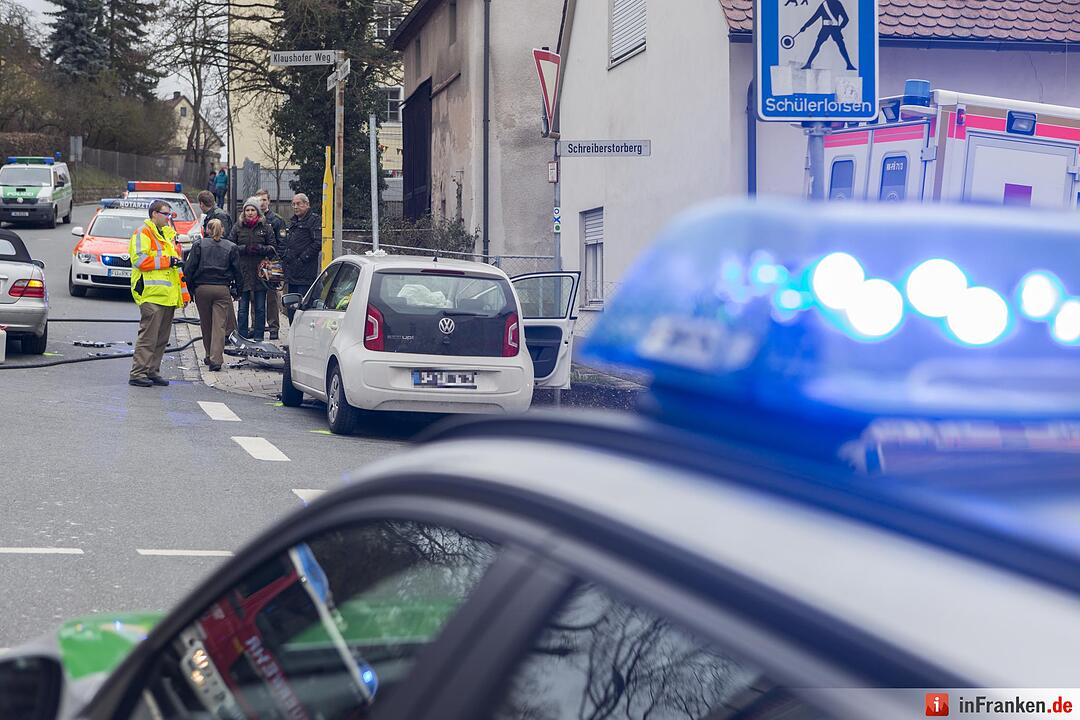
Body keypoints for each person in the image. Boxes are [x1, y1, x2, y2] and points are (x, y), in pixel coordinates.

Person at [128, 200, 190, 387]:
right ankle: (138, 373)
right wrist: (167, 261)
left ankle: (152, 371)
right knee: (148, 337)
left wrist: (184, 295)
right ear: (154, 214)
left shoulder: (167, 236)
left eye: (170, 215)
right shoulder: (143, 232)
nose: (169, 218)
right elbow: (140, 260)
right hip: (151, 294)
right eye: (166, 214)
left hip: (168, 296)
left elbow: (176, 270)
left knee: (161, 339)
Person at [185, 218, 243, 371]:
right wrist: (238, 290)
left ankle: (208, 354)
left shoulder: (199, 245)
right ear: (222, 230)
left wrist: (191, 290)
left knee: (206, 323)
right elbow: (238, 271)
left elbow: (189, 269)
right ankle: (216, 359)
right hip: (222, 289)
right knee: (220, 325)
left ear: (207, 230)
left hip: (202, 288)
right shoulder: (231, 247)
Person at [228, 196, 276, 341]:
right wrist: (244, 249)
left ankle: (258, 337)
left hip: (260, 275)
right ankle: (242, 337)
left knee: (260, 308)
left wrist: (261, 248)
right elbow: (230, 247)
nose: (250, 213)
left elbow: (273, 248)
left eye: (252, 210)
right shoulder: (237, 227)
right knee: (242, 309)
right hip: (242, 274)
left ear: (257, 212)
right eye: (247, 210)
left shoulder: (265, 227)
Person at [256, 189, 286, 340]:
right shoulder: (252, 218)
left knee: (272, 297)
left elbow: (282, 244)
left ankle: (273, 328)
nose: (261, 203)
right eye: (259, 200)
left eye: (264, 200)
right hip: (255, 264)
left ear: (269, 201)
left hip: (272, 262)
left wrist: (275, 261)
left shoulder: (276, 220)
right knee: (255, 297)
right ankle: (256, 327)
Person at [281, 193, 321, 296]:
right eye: (293, 204)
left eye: (298, 204)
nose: (295, 207)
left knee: (301, 306)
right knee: (291, 306)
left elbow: (317, 243)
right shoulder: (293, 222)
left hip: (305, 274)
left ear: (307, 204)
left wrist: (302, 259)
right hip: (292, 274)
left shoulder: (314, 220)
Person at [799, 0, 856, 71]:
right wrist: (839, 28)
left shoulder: (826, 4)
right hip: (832, 29)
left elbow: (814, 17)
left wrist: (805, 26)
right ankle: (849, 65)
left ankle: (808, 64)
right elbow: (846, 19)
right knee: (839, 46)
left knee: (820, 46)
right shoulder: (832, 4)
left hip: (828, 29)